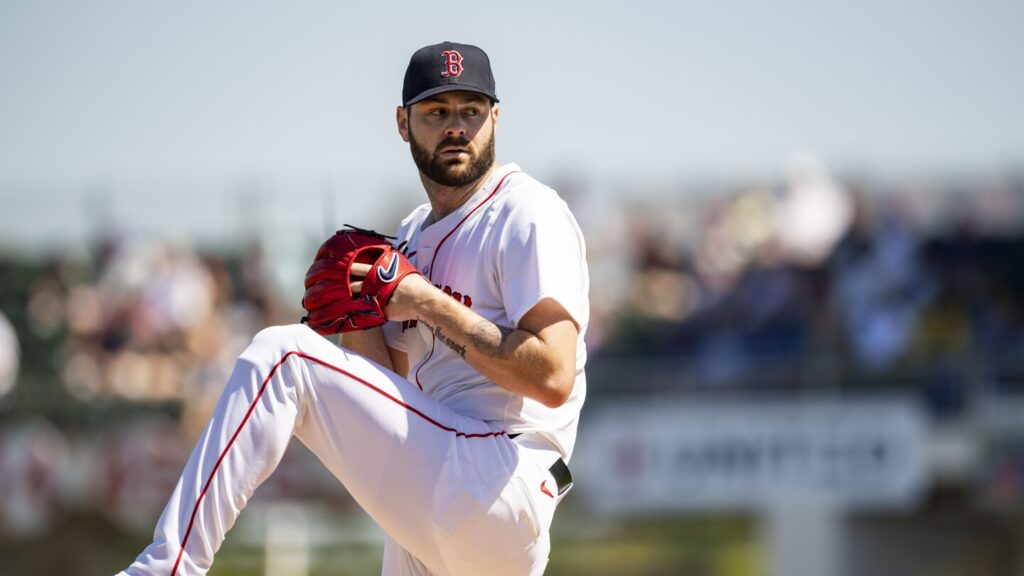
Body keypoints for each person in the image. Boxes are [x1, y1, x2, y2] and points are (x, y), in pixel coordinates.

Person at [121, 41, 589, 576]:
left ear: (496, 119)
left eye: (472, 110)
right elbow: (389, 390)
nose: (457, 126)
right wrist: (358, 317)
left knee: (284, 356)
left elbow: (552, 375)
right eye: (437, 112)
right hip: (441, 484)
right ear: (403, 123)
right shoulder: (411, 235)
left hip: (504, 473)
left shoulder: (526, 212)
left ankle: (165, 568)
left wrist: (426, 303)